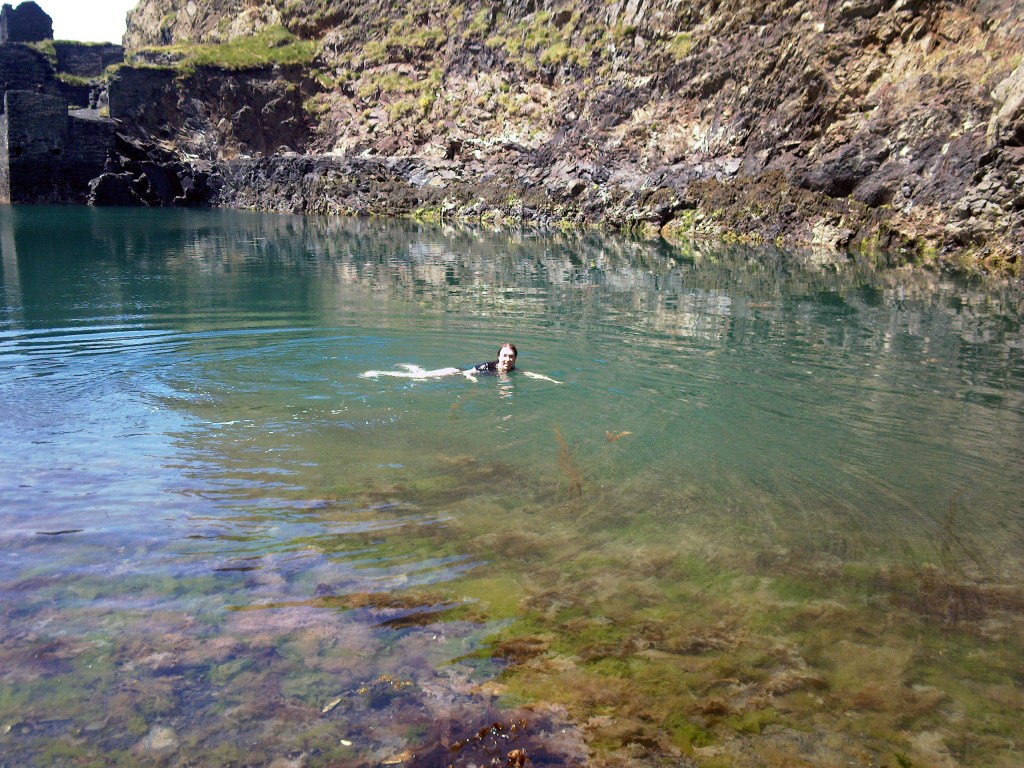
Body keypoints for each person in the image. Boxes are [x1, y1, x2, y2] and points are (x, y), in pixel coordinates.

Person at [362, 342, 561, 383]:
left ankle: (411, 366)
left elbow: (530, 374)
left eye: (511, 357)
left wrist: (551, 380)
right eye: (505, 356)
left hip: (461, 374)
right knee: (420, 378)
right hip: (456, 372)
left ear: (515, 358)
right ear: (499, 356)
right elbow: (468, 372)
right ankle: (378, 373)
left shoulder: (512, 370)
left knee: (421, 375)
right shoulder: (488, 366)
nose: (508, 359)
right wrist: (471, 379)